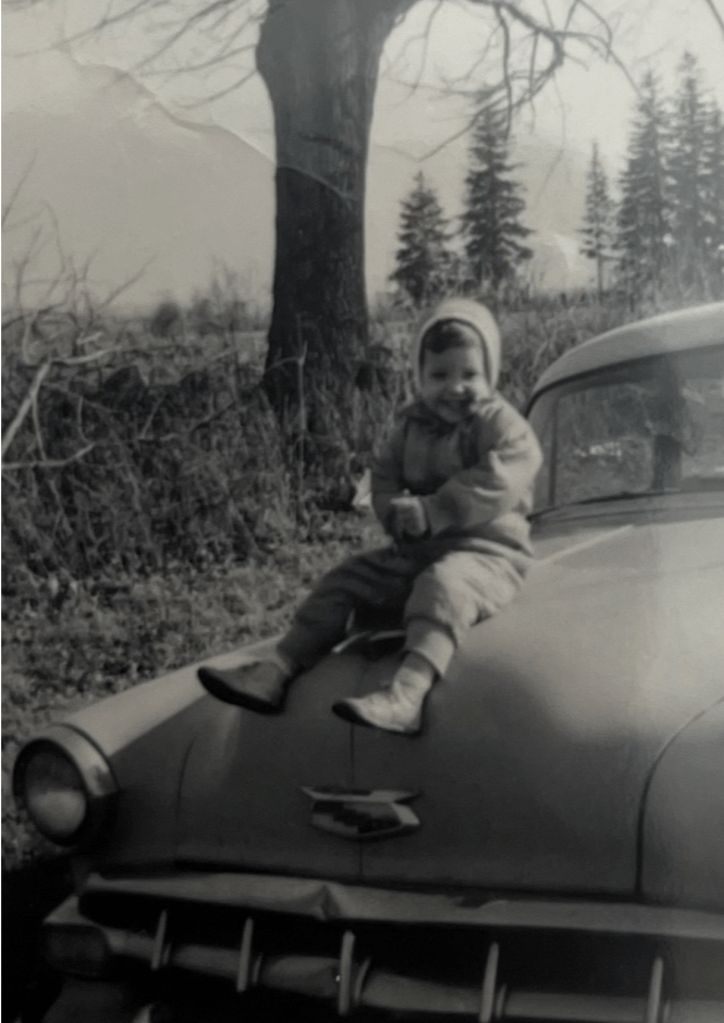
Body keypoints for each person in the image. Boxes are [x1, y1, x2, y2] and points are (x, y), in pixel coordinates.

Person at [198, 298, 542, 735]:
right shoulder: (410, 426)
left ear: (489, 374)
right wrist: (393, 510)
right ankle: (277, 669)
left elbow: (500, 479)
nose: (455, 387)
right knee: (346, 579)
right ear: (420, 377)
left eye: (469, 374)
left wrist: (433, 510)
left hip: (490, 554)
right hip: (420, 551)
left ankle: (408, 694)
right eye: (439, 375)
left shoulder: (504, 427)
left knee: (445, 586)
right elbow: (381, 474)